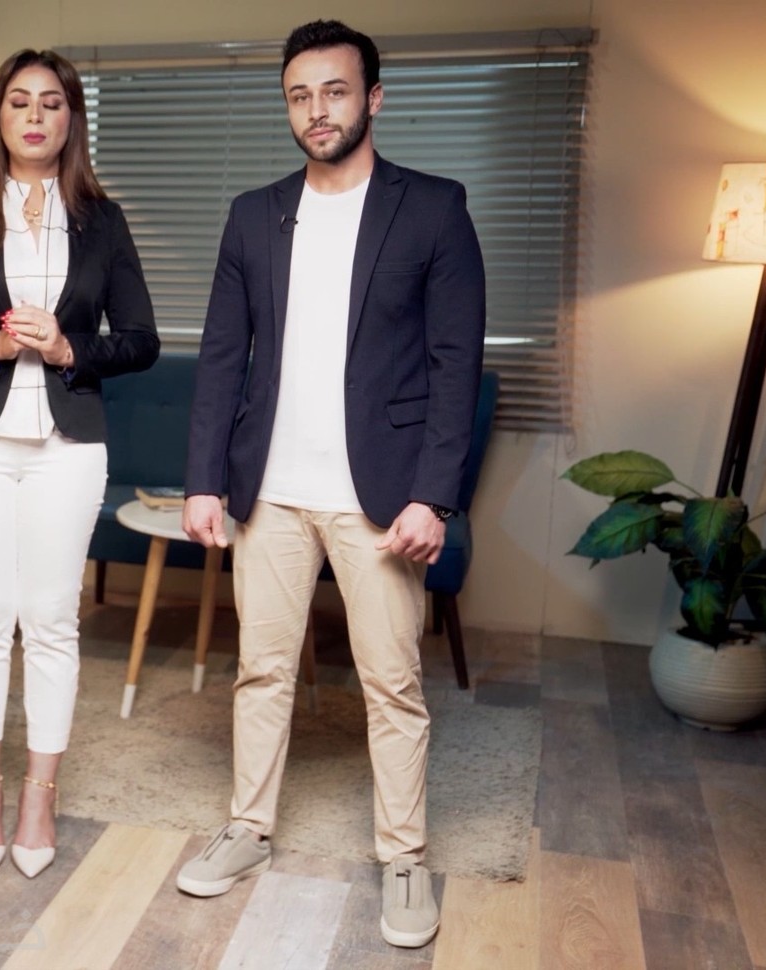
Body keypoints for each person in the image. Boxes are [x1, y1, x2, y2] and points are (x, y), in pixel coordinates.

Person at [175, 20, 485, 949]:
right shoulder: (253, 214)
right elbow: (221, 360)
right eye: (300, 95)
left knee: (392, 684)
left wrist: (434, 495)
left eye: (336, 91)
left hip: (379, 498)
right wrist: (202, 482)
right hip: (268, 492)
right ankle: (247, 828)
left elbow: (455, 364)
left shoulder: (433, 209)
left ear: (373, 98)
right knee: (261, 670)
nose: (318, 110)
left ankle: (404, 858)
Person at [0, 48, 159, 880]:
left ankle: (39, 798)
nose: (35, 116)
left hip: (67, 445)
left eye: (51, 102)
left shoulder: (104, 223)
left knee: (49, 619)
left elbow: (142, 340)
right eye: (19, 102)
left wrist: (71, 347)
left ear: (71, 118)